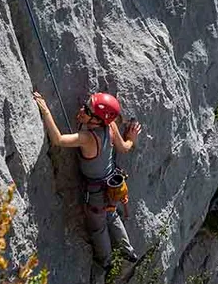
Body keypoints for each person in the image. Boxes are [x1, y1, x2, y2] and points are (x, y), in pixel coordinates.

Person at [33, 90, 142, 270]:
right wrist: (131, 139)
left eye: (88, 111)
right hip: (113, 185)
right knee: (112, 214)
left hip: (96, 194)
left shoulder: (88, 138)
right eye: (85, 105)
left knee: (98, 228)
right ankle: (127, 250)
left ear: (97, 121)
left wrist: (45, 111)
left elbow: (58, 140)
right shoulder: (110, 125)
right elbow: (124, 148)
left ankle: (106, 261)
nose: (82, 110)